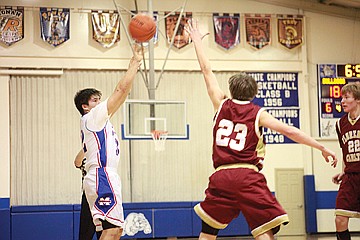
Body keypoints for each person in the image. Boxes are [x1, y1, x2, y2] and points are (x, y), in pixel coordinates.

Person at [185, 19, 338, 240]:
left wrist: (197, 41)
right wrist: (321, 146)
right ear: (253, 93)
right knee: (264, 230)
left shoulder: (220, 103)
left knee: (208, 233)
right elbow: (291, 132)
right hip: (247, 175)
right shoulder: (258, 113)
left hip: (221, 176)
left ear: (231, 89)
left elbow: (206, 70)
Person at [74, 44, 142, 240]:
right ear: (85, 106)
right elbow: (120, 90)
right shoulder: (92, 117)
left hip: (104, 176)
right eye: (95, 100)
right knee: (112, 231)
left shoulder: (98, 122)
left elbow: (122, 94)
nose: (100, 103)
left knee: (114, 230)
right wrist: (134, 63)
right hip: (102, 175)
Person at [332, 82, 360, 240]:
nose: (342, 101)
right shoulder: (340, 124)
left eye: (346, 97)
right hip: (350, 177)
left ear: (357, 100)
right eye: (341, 97)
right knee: (340, 219)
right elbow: (345, 150)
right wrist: (343, 171)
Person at [74, 150, 101, 240]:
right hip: (89, 195)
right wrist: (86, 147)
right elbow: (77, 163)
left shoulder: (103, 155)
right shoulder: (87, 154)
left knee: (103, 230)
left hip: (103, 194)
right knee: (86, 231)